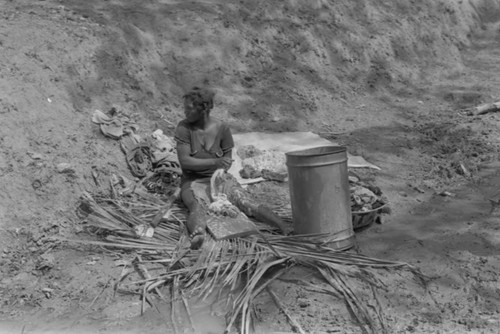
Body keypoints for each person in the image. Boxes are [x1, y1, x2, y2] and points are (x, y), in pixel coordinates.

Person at [174, 86, 234, 249]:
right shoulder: (184, 128)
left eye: (189, 108)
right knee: (197, 206)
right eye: (184, 108)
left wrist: (224, 167)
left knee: (244, 201)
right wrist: (216, 162)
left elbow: (228, 156)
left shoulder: (223, 128)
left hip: (218, 181)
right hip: (193, 181)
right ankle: (198, 232)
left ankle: (283, 227)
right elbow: (185, 161)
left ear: (204, 109)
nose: (185, 112)